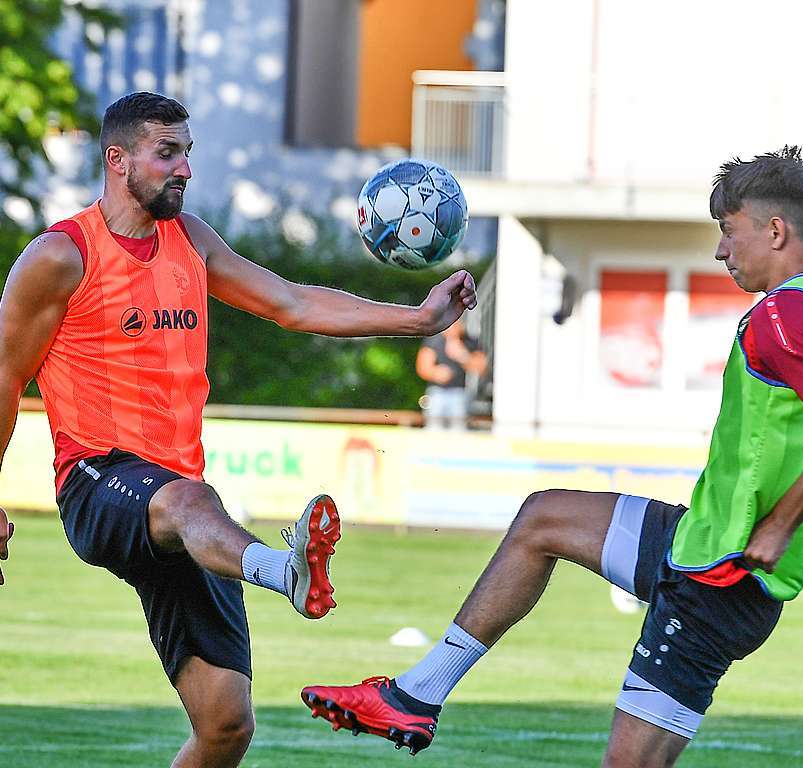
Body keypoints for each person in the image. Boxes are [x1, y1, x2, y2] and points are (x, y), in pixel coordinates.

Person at [300, 147, 803, 765]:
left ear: (774, 232)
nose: (719, 250)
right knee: (543, 519)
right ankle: (416, 696)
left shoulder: (784, 314)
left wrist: (780, 524)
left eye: (728, 229)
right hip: (700, 544)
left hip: (720, 580)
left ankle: (417, 697)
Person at [0, 91, 476, 768]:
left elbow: (292, 302)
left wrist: (419, 320)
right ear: (117, 159)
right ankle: (285, 570)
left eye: (188, 153)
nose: (185, 168)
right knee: (193, 502)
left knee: (226, 725)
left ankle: (270, 570)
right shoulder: (60, 256)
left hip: (180, 504)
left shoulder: (191, 240)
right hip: (96, 481)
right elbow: (4, 378)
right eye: (167, 152)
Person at [415, 316, 487, 430]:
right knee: (434, 428)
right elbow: (422, 367)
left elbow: (482, 368)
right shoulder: (434, 341)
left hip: (460, 393)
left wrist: (463, 356)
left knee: (458, 429)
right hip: (436, 393)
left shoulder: (469, 341)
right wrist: (436, 373)